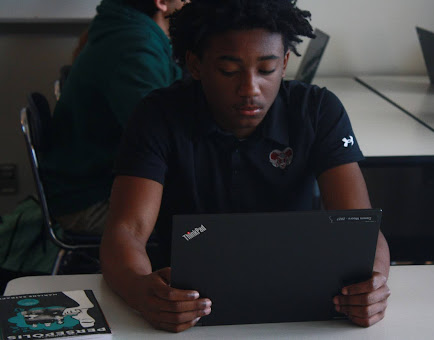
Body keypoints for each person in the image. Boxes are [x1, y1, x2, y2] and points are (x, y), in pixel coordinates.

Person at [100, 0, 391, 333]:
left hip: (301, 308)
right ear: (195, 65)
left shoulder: (318, 111)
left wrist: (375, 285)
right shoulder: (158, 117)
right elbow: (126, 232)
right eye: (229, 70)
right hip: (191, 310)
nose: (250, 89)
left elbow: (360, 230)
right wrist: (140, 290)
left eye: (266, 69)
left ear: (284, 63)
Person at [40, 0, 187, 234]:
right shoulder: (135, 46)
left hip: (86, 186)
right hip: (89, 201)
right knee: (205, 211)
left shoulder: (127, 30)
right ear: (161, 3)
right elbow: (158, 137)